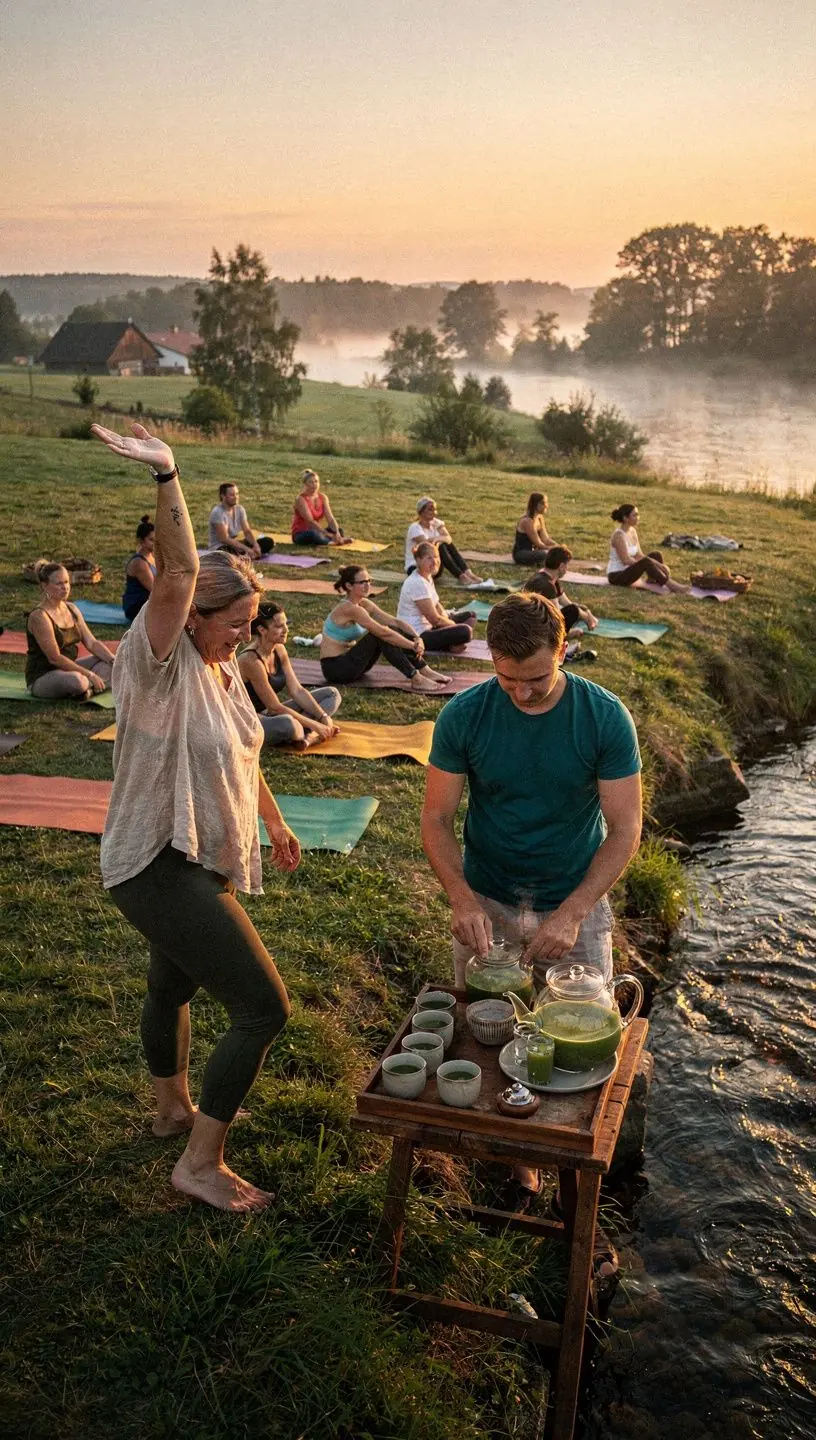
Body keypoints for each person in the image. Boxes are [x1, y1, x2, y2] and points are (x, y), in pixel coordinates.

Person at [91, 420, 302, 1214]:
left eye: (252, 622)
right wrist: (168, 474)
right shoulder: (159, 662)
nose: (246, 636)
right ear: (192, 617)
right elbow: (179, 568)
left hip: (201, 857)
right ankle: (200, 1162)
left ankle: (170, 1109)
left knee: (170, 988)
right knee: (263, 1006)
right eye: (235, 623)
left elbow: (245, 753)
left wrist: (274, 823)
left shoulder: (222, 671)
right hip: (154, 860)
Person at [421, 591, 642, 986]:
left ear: (561, 652)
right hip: (486, 904)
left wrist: (573, 913)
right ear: (491, 657)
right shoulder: (462, 716)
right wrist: (461, 899)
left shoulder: (605, 717)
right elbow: (436, 818)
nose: (523, 694)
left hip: (574, 902)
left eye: (537, 679)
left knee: (581, 1030)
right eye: (508, 680)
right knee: (481, 1033)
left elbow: (625, 828)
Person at [320, 564, 452, 692]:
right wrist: (412, 645)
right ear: (349, 586)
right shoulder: (349, 608)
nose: (368, 585)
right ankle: (416, 678)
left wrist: (417, 637)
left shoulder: (363, 604)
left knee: (390, 629)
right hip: (336, 669)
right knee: (379, 635)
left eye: (369, 581)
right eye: (362, 582)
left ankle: (425, 670)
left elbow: (395, 622)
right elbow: (383, 633)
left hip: (352, 663)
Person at [238, 601, 341, 748]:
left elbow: (297, 690)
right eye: (279, 626)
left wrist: (323, 717)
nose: (286, 629)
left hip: (269, 713)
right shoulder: (251, 661)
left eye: (286, 624)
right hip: (249, 720)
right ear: (262, 629)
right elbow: (275, 707)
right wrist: (316, 724)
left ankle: (307, 736)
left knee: (332, 694)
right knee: (288, 723)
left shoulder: (279, 649)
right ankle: (310, 733)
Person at [25, 562, 116, 698]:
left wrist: (113, 660)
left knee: (112, 666)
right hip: (44, 675)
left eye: (67, 582)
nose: (65, 587)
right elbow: (55, 658)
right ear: (45, 586)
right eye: (59, 584)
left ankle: (88, 690)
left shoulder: (72, 608)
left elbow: (91, 642)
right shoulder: (40, 616)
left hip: (70, 667)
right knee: (77, 681)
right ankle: (89, 686)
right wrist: (89, 674)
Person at [397, 542, 476, 653]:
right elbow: (435, 620)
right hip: (417, 635)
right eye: (429, 558)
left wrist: (447, 619)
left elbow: (436, 604)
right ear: (418, 560)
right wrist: (453, 625)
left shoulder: (427, 576)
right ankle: (449, 645)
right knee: (465, 631)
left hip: (431, 627)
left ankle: (452, 642)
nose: (435, 562)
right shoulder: (417, 582)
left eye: (436, 557)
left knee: (471, 616)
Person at [607, 504, 688, 593]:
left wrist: (658, 565)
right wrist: (652, 565)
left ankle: (652, 578)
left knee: (656, 555)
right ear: (625, 518)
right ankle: (671, 585)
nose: (638, 517)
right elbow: (626, 560)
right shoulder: (619, 536)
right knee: (646, 562)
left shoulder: (632, 531)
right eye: (634, 515)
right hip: (617, 576)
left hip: (628, 571)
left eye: (638, 514)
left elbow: (639, 555)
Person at [404, 497, 483, 584]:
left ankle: (468, 573)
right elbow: (426, 545)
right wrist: (439, 540)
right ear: (421, 511)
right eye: (430, 509)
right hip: (416, 568)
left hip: (433, 567)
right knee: (440, 546)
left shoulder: (436, 523)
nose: (434, 512)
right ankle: (461, 576)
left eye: (434, 510)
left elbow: (448, 539)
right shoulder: (415, 527)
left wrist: (436, 539)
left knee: (445, 544)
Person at [523, 545, 598, 634]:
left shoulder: (550, 578)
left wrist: (587, 612)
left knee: (575, 608)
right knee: (573, 611)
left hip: (534, 620)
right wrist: (585, 617)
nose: (567, 570)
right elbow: (557, 618)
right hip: (535, 627)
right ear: (561, 566)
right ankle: (565, 635)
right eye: (567, 566)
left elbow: (568, 603)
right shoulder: (547, 585)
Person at [208, 482, 272, 558]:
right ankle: (246, 555)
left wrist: (256, 545)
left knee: (267, 542)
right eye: (232, 495)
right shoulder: (217, 512)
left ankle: (248, 554)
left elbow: (247, 531)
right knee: (229, 553)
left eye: (237, 494)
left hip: (236, 544)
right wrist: (246, 549)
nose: (236, 497)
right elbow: (224, 538)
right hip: (221, 547)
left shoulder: (240, 509)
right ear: (223, 496)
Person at [291, 469, 352, 546]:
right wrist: (329, 535)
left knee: (338, 529)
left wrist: (337, 533)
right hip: (302, 533)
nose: (314, 485)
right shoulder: (300, 499)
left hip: (318, 531)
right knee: (313, 534)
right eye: (311, 482)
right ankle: (332, 542)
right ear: (305, 484)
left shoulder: (323, 497)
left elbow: (330, 519)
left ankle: (336, 539)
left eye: (316, 481)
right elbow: (310, 522)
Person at [122, 514, 156, 621]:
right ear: (141, 541)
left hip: (148, 602)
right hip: (136, 607)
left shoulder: (152, 556)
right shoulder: (139, 563)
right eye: (151, 540)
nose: (155, 543)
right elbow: (155, 588)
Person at [512, 492, 555, 566]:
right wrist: (553, 550)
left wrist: (559, 547)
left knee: (554, 553)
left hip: (534, 552)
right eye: (543, 503)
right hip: (522, 553)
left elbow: (546, 539)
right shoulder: (527, 521)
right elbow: (538, 543)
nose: (546, 506)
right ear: (535, 505)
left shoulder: (540, 518)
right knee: (545, 554)